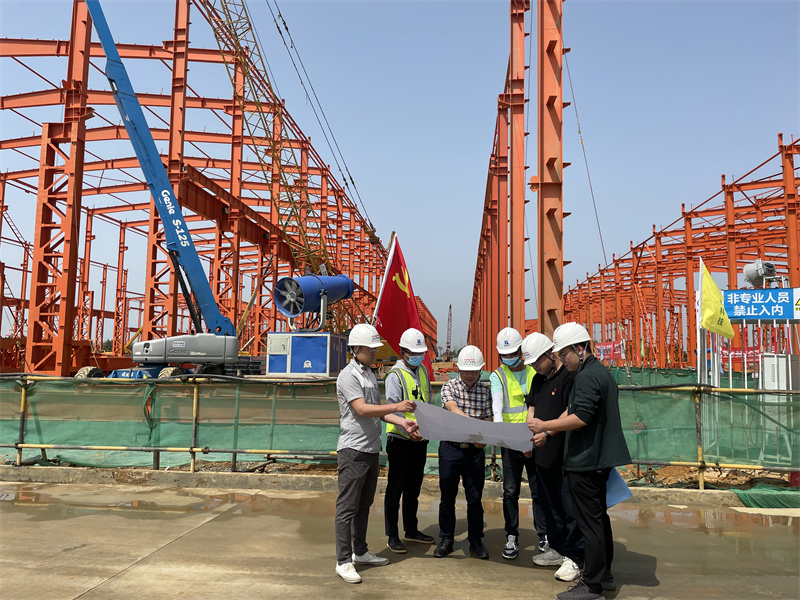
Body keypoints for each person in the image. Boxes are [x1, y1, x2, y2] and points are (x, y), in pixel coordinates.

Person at [529, 323, 632, 600]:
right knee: (598, 519)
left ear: (580, 348)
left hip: (586, 459)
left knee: (589, 524)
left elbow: (581, 417)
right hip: (598, 459)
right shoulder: (601, 372)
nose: (563, 360)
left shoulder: (586, 377)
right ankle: (604, 575)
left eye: (564, 355)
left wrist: (545, 426)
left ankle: (592, 584)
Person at [334, 323, 420, 584]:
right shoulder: (349, 376)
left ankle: (360, 551)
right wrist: (398, 407)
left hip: (371, 449)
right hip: (353, 450)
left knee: (364, 504)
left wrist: (402, 422)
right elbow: (362, 409)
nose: (374, 352)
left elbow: (379, 410)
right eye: (370, 349)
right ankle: (343, 560)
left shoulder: (369, 374)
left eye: (375, 348)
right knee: (347, 507)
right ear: (356, 348)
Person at [523, 333, 583, 583]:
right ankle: (557, 549)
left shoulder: (569, 376)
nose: (536, 367)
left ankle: (576, 557)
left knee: (570, 509)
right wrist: (528, 435)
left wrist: (547, 432)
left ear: (551, 354)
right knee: (550, 506)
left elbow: (571, 411)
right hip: (542, 455)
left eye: (538, 361)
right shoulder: (538, 380)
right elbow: (532, 408)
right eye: (532, 363)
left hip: (563, 455)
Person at [490, 327, 548, 560]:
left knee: (538, 491)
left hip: (537, 440)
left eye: (513, 353)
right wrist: (506, 436)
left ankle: (544, 535)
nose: (509, 358)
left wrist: (531, 440)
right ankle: (511, 536)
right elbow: (497, 410)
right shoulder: (498, 376)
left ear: (521, 351)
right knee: (510, 491)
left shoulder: (536, 372)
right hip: (511, 441)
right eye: (505, 355)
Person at [434, 345, 492, 560]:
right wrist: (475, 428)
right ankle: (446, 539)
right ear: (458, 369)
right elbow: (453, 408)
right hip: (451, 448)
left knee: (475, 498)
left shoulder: (484, 391)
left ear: (480, 370)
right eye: (467, 370)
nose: (470, 375)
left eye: (474, 371)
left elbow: (488, 418)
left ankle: (476, 540)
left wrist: (483, 437)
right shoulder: (449, 386)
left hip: (474, 452)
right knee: (447, 497)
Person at [384, 328, 436, 553]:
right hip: (400, 438)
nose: (417, 356)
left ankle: (411, 529)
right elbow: (392, 409)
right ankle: (392, 535)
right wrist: (407, 429)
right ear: (403, 351)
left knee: (414, 487)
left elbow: (427, 401)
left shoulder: (422, 370)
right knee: (395, 488)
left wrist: (424, 429)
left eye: (420, 352)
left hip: (419, 438)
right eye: (413, 353)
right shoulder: (395, 376)